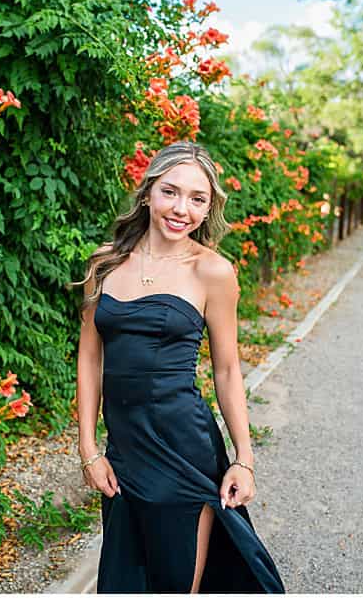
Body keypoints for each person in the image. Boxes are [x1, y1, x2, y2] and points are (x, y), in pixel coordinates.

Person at [75, 141, 284, 593]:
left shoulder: (212, 272)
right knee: (121, 585)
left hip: (185, 451)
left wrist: (244, 460)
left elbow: (227, 370)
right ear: (149, 192)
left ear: (209, 209)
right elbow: (90, 359)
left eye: (197, 199)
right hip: (124, 455)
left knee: (175, 586)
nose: (181, 209)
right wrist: (89, 450)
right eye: (170, 192)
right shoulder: (105, 263)